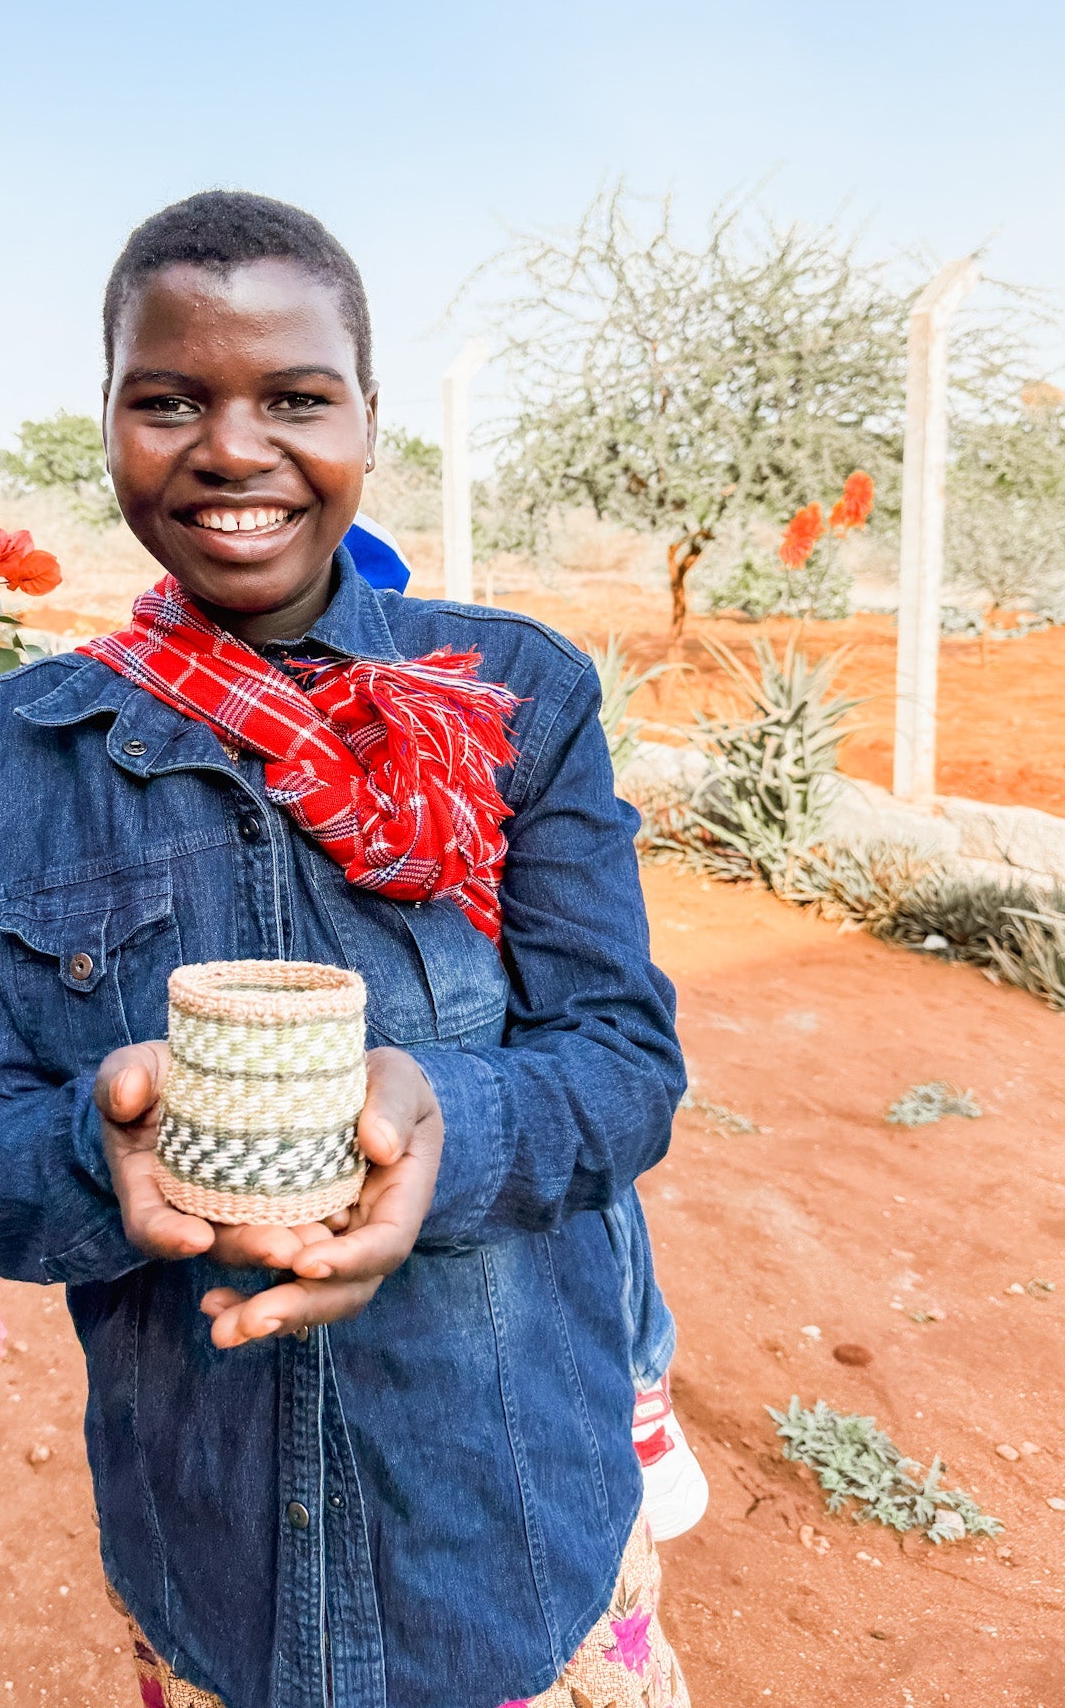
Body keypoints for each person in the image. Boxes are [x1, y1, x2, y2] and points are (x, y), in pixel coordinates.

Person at [0, 191, 694, 1708]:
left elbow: (624, 1066)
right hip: (214, 1574)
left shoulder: (511, 701)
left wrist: (445, 1127)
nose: (234, 449)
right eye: (172, 399)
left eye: (297, 398)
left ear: (370, 420)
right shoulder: (6, 762)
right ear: (114, 422)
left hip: (512, 1551)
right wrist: (99, 1152)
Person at [339, 515, 707, 1544]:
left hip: (488, 976)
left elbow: (613, 1050)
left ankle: (638, 1375)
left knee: (580, 1166)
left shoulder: (472, 696)